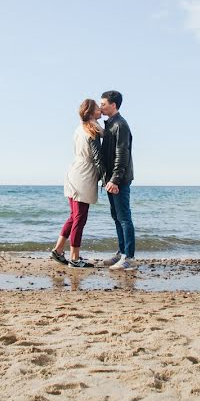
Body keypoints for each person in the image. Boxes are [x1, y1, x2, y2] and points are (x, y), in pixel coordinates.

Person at [50, 99, 104, 268]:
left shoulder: (79, 128)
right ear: (91, 112)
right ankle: (75, 258)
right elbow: (97, 157)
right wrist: (106, 178)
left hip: (74, 172)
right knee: (80, 218)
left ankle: (58, 250)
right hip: (84, 175)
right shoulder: (93, 129)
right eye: (97, 108)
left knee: (74, 217)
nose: (100, 109)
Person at [98, 90, 136, 270]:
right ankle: (121, 253)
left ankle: (129, 257)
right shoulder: (110, 124)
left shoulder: (120, 124)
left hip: (119, 179)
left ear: (113, 105)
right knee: (116, 217)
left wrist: (114, 179)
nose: (101, 107)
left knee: (124, 217)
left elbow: (122, 155)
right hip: (111, 179)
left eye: (103, 104)